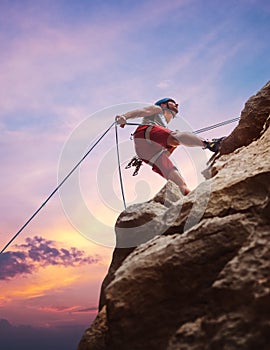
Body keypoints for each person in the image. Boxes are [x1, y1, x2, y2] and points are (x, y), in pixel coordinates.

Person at [115, 98, 219, 195]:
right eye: (172, 102)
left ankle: (187, 194)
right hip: (146, 132)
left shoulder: (162, 123)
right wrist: (125, 117)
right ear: (164, 104)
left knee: (178, 180)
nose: (176, 104)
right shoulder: (158, 108)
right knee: (175, 137)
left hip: (145, 150)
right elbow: (141, 111)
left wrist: (167, 151)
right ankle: (209, 144)